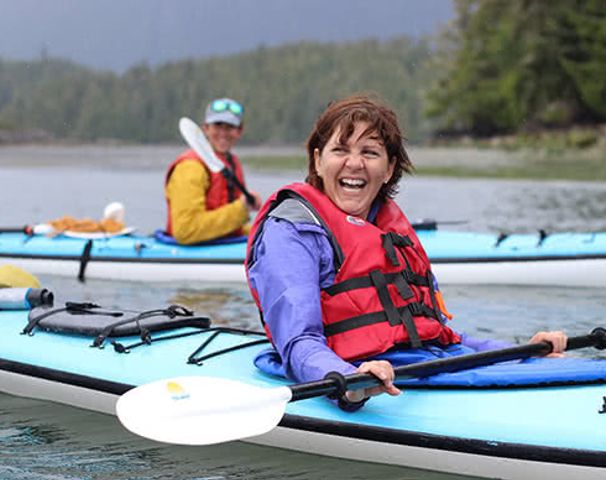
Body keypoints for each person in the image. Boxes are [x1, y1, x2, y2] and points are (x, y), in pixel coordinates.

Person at [245, 94, 567, 410]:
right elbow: (298, 343)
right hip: (351, 374)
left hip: (422, 363)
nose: (354, 163)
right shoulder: (291, 231)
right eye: (340, 150)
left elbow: (441, 335)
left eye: (370, 152)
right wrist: (351, 381)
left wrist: (524, 352)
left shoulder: (389, 230)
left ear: (389, 169)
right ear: (318, 160)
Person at [165, 97, 262, 245]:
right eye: (217, 126)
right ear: (206, 128)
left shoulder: (231, 163)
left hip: (220, 244)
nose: (223, 133)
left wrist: (261, 230)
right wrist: (241, 209)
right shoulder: (190, 167)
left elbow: (231, 227)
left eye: (229, 127)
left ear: (239, 131)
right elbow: (185, 230)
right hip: (190, 252)